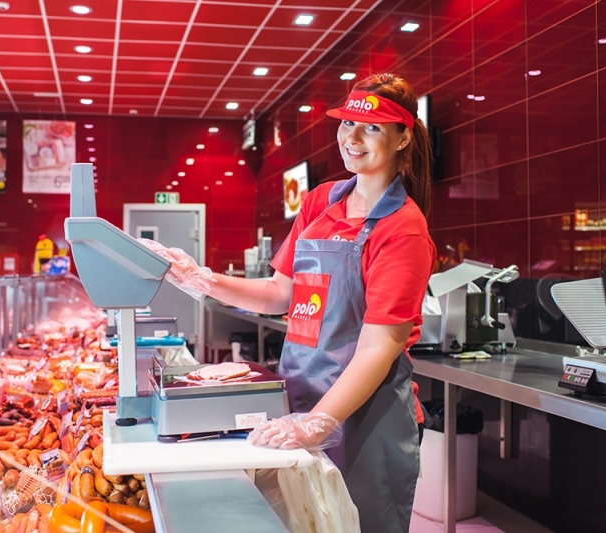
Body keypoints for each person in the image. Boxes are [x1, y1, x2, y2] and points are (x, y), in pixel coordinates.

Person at [146, 72, 435, 533]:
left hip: (366, 418)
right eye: (347, 124)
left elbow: (379, 347)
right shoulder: (320, 201)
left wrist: (319, 422)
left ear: (402, 138)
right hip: (299, 397)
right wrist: (201, 279)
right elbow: (279, 292)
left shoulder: (403, 229)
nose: (352, 138)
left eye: (371, 128)